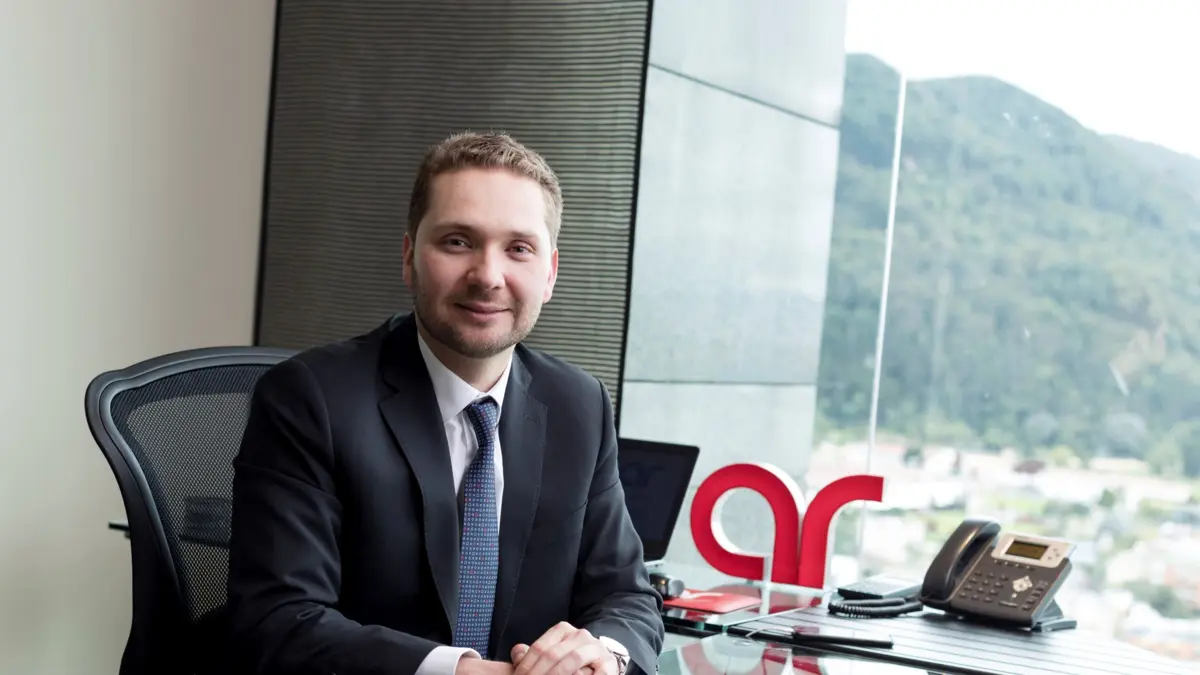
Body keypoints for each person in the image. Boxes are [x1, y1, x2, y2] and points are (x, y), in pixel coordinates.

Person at [226, 132, 664, 675]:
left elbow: (627, 595)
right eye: (458, 242)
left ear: (550, 273)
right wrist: (462, 672)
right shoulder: (310, 398)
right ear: (410, 257)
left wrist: (603, 655)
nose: (488, 277)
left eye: (518, 248)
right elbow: (277, 619)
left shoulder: (579, 404)